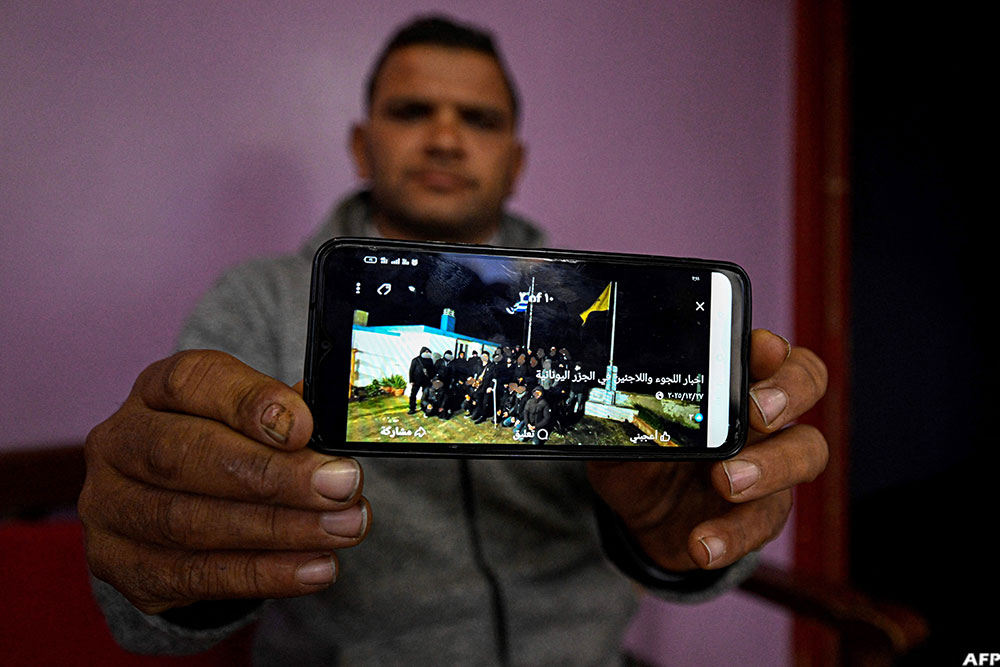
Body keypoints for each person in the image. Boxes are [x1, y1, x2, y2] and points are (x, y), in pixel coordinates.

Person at [79, 15, 828, 665]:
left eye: (478, 119)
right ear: (362, 145)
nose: (444, 137)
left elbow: (701, 541)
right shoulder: (258, 301)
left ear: (515, 162)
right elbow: (145, 610)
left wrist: (675, 538)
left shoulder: (586, 311)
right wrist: (168, 555)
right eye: (412, 111)